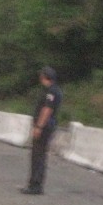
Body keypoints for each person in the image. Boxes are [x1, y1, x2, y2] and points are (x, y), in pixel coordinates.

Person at [20, 66, 63, 195]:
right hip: (48, 125)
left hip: (45, 126)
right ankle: (34, 183)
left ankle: (35, 185)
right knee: (39, 154)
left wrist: (39, 126)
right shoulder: (55, 90)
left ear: (44, 76)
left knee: (38, 155)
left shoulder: (51, 92)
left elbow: (47, 109)